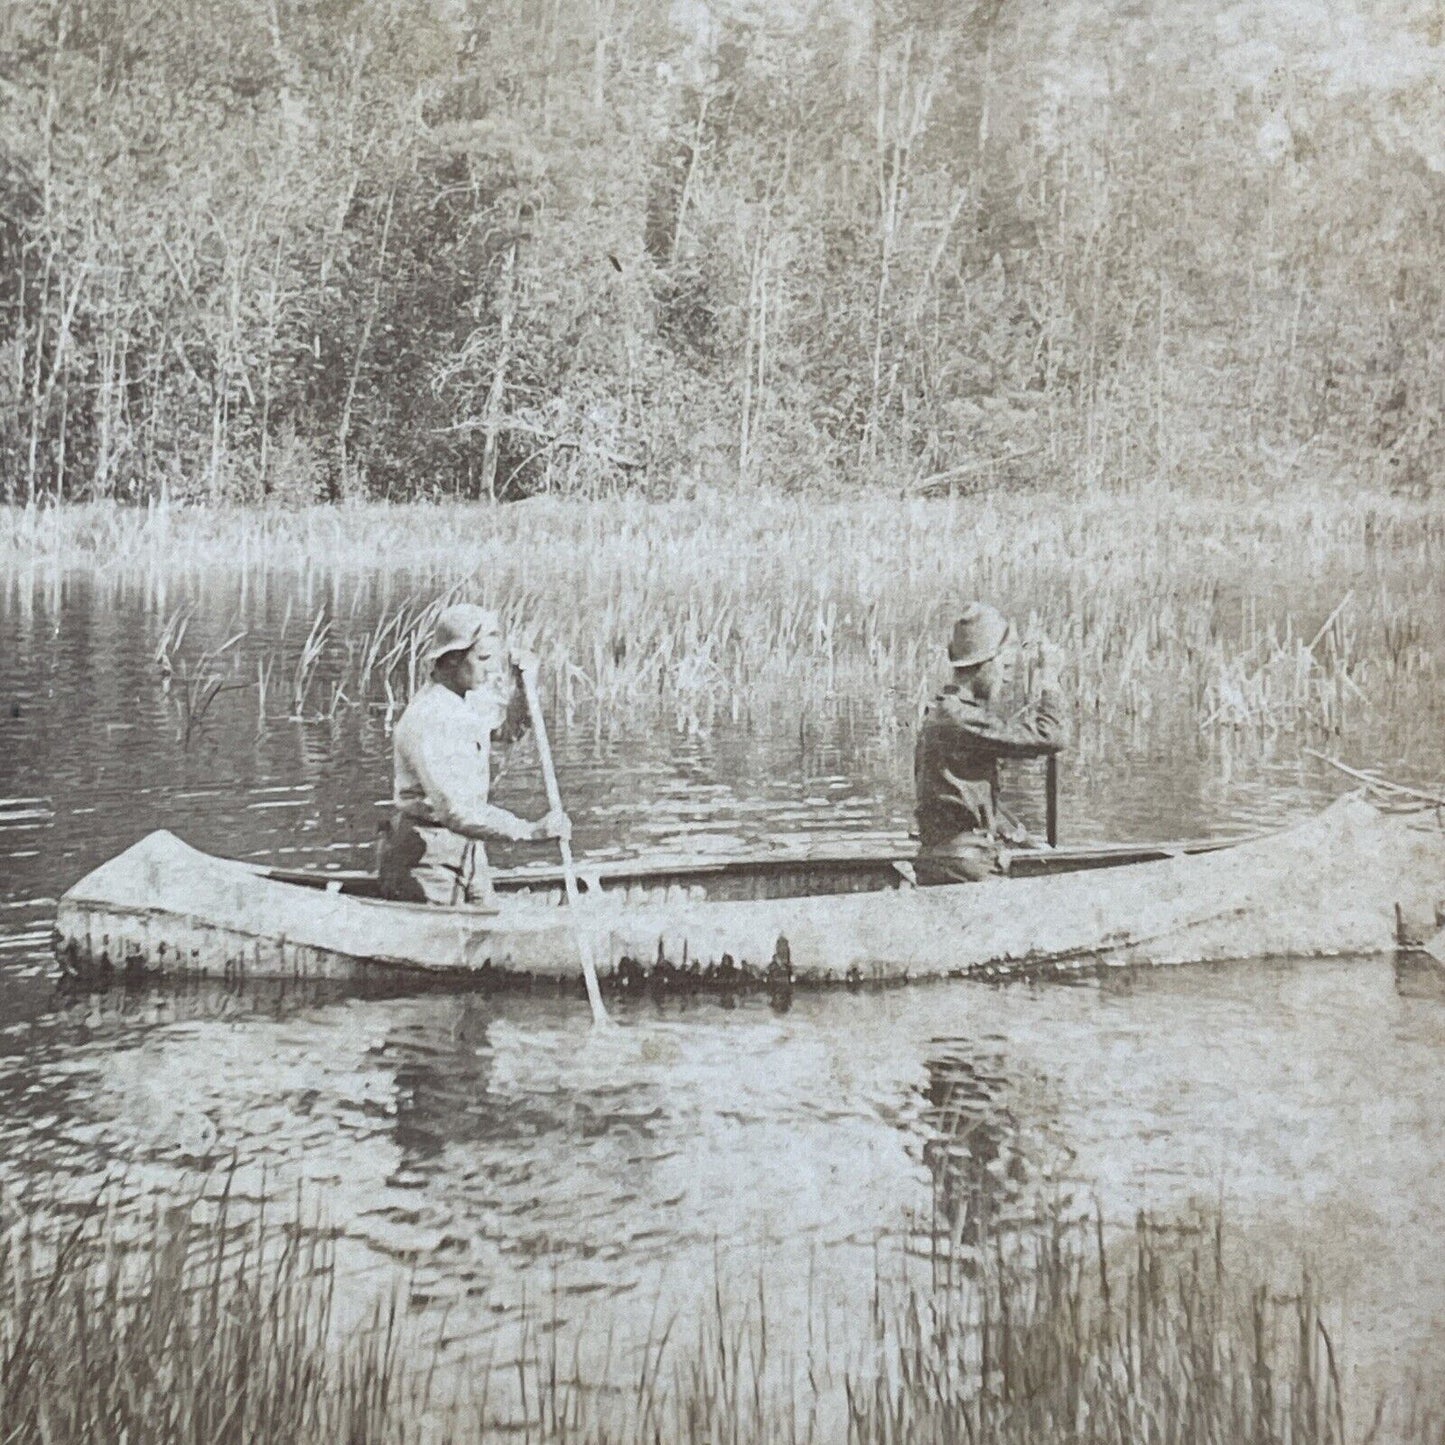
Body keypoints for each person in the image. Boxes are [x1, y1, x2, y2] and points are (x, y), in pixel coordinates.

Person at [378, 602, 570, 906]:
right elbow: (455, 812)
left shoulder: (467, 700)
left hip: (470, 851)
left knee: (487, 938)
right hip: (427, 857)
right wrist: (529, 831)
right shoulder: (428, 718)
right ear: (453, 659)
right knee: (443, 945)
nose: (492, 667)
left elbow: (507, 732)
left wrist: (523, 688)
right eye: (482, 658)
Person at [913, 601, 1067, 885]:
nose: (1008, 676)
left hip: (948, 860)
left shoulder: (940, 712)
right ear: (984, 664)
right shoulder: (960, 719)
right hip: (966, 866)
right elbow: (1051, 736)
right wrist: (1050, 681)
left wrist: (1012, 832)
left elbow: (959, 800)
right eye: (1005, 666)